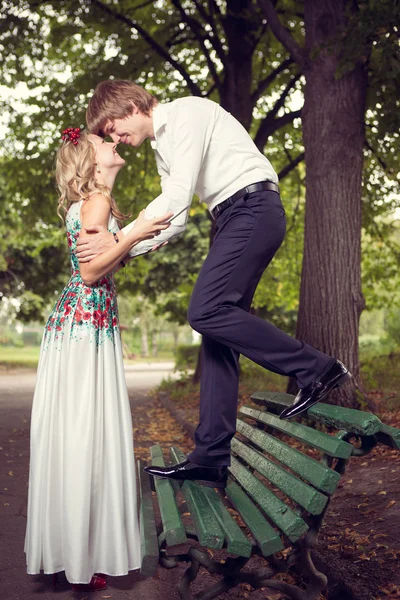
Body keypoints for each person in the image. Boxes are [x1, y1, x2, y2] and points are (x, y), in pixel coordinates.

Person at [79, 80, 351, 489]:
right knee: (217, 330)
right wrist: (124, 250)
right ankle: (210, 456)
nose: (119, 140)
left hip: (252, 208)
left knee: (204, 311)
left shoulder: (187, 113)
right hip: (232, 217)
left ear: (131, 105)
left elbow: (176, 197)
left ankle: (319, 369)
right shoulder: (162, 149)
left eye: (114, 129)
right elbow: (174, 219)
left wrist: (119, 239)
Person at [24, 126, 172, 591]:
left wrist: (135, 241)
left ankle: (74, 553)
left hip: (80, 326)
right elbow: (90, 271)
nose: (114, 143)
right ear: (92, 159)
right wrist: (136, 233)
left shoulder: (88, 203)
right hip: (86, 326)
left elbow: (100, 259)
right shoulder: (98, 201)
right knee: (88, 433)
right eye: (104, 141)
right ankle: (84, 556)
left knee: (76, 435)